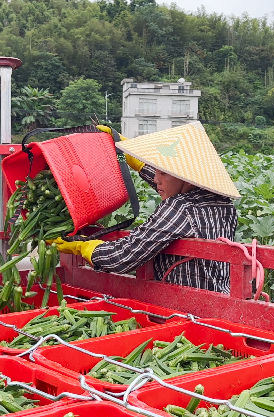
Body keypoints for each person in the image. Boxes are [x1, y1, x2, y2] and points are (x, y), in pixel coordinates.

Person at [51, 121, 241, 293]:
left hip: (184, 306)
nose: (156, 179)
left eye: (163, 173)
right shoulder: (221, 202)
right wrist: (131, 155)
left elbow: (123, 257)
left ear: (186, 177)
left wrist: (83, 247)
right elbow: (169, 182)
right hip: (220, 297)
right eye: (156, 170)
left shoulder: (180, 208)